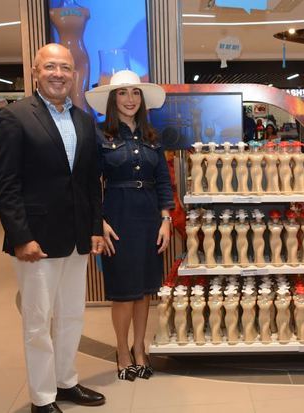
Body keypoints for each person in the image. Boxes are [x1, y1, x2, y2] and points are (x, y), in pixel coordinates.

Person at [0, 43, 106, 413]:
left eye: (66, 68)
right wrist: (21, 236)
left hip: (76, 238)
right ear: (36, 73)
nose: (59, 74)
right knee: (38, 322)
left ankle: (66, 380)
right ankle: (43, 398)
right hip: (35, 241)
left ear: (74, 74)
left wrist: (94, 228)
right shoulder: (15, 117)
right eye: (51, 67)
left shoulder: (84, 121)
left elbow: (89, 182)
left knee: (72, 315)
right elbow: (4, 183)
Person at [85, 70, 174, 381]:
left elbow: (163, 180)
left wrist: (166, 219)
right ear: (112, 99)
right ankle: (122, 350)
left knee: (145, 291)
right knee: (123, 292)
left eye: (135, 93)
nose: (130, 99)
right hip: (117, 217)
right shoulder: (98, 135)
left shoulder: (153, 136)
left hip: (150, 217)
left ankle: (140, 348)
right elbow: (88, 184)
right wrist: (100, 222)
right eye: (122, 93)